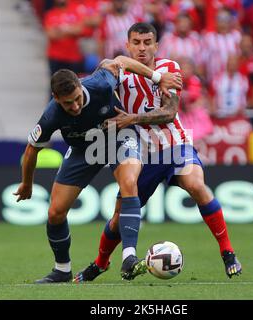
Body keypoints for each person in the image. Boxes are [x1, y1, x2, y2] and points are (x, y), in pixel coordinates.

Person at [74, 23, 241, 283]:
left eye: (147, 42)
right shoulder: (119, 73)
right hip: (139, 155)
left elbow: (170, 112)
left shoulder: (169, 69)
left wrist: (131, 119)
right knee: (119, 219)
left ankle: (227, 251)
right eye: (136, 42)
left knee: (196, 184)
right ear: (128, 45)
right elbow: (103, 73)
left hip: (175, 145)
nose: (142, 48)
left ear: (156, 46)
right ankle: (100, 264)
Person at [13, 55, 182, 284]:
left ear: (81, 87)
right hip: (84, 150)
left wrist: (158, 77)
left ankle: (129, 257)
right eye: (67, 103)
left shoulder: (101, 83)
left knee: (129, 183)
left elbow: (120, 60)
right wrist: (27, 183)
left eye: (77, 98)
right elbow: (32, 150)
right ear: (56, 98)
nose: (74, 106)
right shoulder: (52, 114)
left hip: (118, 137)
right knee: (55, 212)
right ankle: (62, 270)